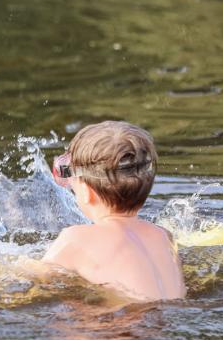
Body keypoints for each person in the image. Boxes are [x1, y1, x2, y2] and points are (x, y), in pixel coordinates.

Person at [41, 120, 186, 302]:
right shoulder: (164, 236)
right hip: (166, 321)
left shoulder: (75, 239)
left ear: (87, 192)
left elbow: (35, 278)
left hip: (121, 324)